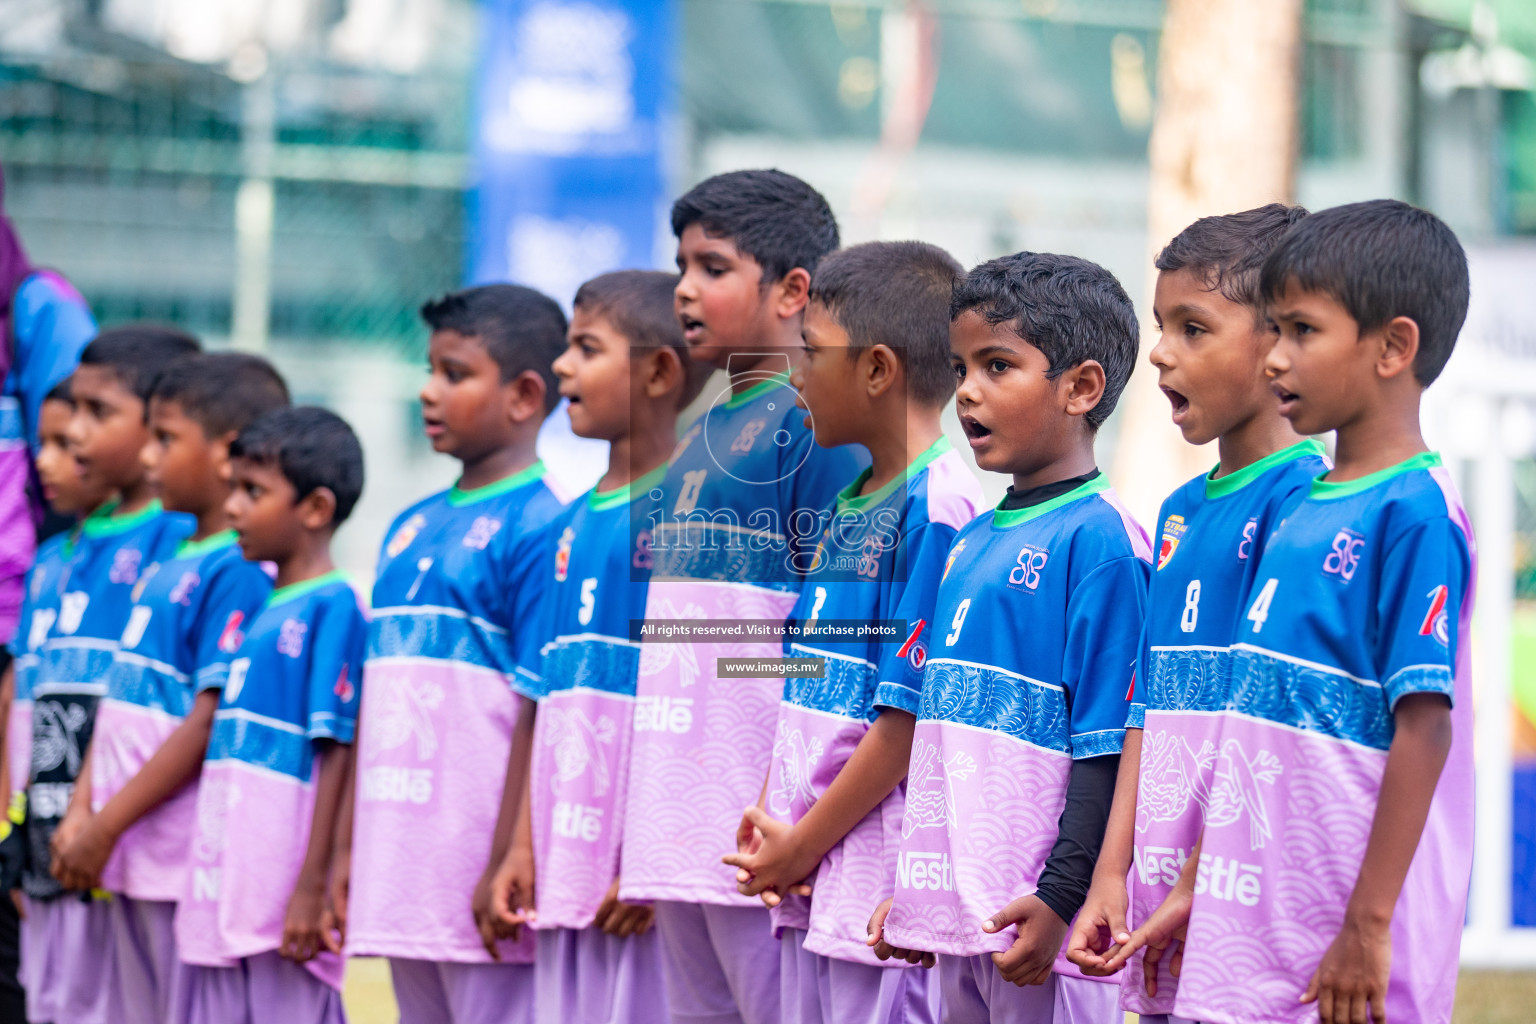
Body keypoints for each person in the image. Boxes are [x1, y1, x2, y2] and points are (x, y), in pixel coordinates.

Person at [1107, 200, 1475, 1024]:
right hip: (1253, 932)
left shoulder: (1415, 509)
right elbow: (1249, 724)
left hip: (1345, 951)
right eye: (1270, 331)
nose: (1275, 357)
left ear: (1393, 347)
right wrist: (1198, 881)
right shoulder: (1309, 509)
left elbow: (1424, 726)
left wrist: (1367, 925)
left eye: (1300, 331)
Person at [1061, 205, 1328, 1020]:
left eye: (1193, 328)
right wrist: (1113, 872)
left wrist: (1200, 873)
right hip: (1161, 900)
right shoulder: (1177, 512)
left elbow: (1270, 726)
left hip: (1246, 899)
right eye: (1160, 325)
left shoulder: (1306, 503)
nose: (1162, 353)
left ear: (1281, 339)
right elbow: (1147, 703)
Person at [868, 252, 1150, 1022]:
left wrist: (1061, 897)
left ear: (1082, 387)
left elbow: (1106, 742)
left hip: (1038, 928)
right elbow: (943, 746)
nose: (967, 390)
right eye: (962, 367)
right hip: (958, 921)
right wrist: (916, 886)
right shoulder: (970, 542)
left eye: (998, 365)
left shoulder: (1103, 542)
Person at [620, 169, 865, 1024]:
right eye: (682, 264)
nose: (684, 288)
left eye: (713, 267)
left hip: (760, 834)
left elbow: (835, 636)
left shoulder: (816, 426)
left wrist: (794, 812)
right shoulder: (697, 437)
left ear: (793, 289)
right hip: (677, 833)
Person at [720, 240, 985, 1024]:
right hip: (816, 875)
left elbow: (903, 724)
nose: (796, 375)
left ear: (877, 369)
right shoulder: (849, 504)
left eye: (813, 351)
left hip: (878, 888)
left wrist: (802, 843)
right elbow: (805, 674)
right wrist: (775, 818)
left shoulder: (938, 508)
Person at [475, 269, 709, 1024]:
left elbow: (697, 701)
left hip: (636, 875)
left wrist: (650, 854)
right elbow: (540, 700)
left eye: (586, 348)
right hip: (561, 859)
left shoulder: (688, 513)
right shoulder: (566, 525)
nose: (563, 368)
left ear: (660, 371)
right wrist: (520, 844)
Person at [343, 284, 569, 1024]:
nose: (427, 389)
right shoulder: (407, 526)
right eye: (430, 369)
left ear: (525, 394)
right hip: (401, 867)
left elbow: (544, 706)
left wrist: (512, 851)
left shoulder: (543, 528)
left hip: (482, 877)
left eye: (454, 372)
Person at [52, 352, 288, 1023]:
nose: (149, 457)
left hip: (177, 857)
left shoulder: (237, 569)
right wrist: (84, 812)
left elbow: (206, 718)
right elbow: (122, 695)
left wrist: (106, 825)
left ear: (226, 454)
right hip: (123, 848)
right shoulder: (169, 560)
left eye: (165, 439)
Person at [176, 406, 367, 1024]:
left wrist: (313, 885)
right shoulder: (262, 604)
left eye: (253, 491)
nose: (233, 507)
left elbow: (337, 750)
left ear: (315, 509)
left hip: (283, 895)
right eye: (232, 488)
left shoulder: (333, 607)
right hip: (228, 883)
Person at [35, 326, 200, 1023]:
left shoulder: (181, 543)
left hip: (127, 841)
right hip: (50, 838)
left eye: (98, 413)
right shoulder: (61, 550)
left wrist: (97, 820)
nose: (73, 434)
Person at [4, 378, 112, 1023]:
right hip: (31, 838)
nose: (43, 460)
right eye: (41, 442)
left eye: (66, 443)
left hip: (93, 845)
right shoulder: (47, 562)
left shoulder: (160, 550)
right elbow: (15, 692)